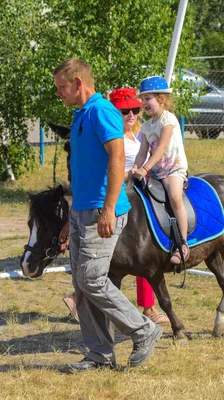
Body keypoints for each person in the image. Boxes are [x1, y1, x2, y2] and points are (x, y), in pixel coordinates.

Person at [53, 59, 161, 372]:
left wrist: (109, 208)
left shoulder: (102, 111)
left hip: (102, 210)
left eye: (62, 87)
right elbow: (86, 170)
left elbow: (117, 158)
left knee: (90, 278)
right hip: (83, 211)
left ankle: (143, 329)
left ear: (77, 83)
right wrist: (71, 215)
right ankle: (100, 355)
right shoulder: (82, 114)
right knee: (82, 283)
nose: (59, 93)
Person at [62, 87, 170, 325]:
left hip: (143, 190)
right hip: (121, 198)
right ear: (115, 111)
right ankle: (143, 316)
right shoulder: (112, 134)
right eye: (124, 110)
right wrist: (129, 175)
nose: (131, 115)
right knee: (134, 253)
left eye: (134, 109)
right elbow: (110, 169)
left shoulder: (137, 135)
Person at [130, 76, 189, 264]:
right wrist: (136, 167)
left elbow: (162, 147)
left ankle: (183, 244)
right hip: (156, 172)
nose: (144, 103)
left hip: (173, 168)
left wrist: (145, 168)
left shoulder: (168, 120)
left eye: (148, 99)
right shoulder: (146, 126)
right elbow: (142, 152)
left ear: (161, 99)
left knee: (175, 197)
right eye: (143, 99)